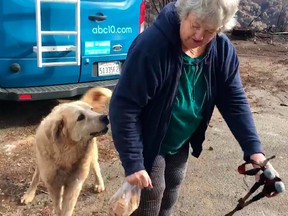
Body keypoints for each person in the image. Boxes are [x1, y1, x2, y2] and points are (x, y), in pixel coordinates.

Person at [109, 0, 279, 215]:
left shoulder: (221, 50)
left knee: (172, 188)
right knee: (152, 193)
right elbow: (125, 106)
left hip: (181, 137)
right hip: (149, 137)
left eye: (209, 31)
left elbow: (234, 100)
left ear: (220, 28)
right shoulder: (152, 47)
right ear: (183, 15)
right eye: (195, 25)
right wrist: (133, 160)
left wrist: (255, 151)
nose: (199, 36)